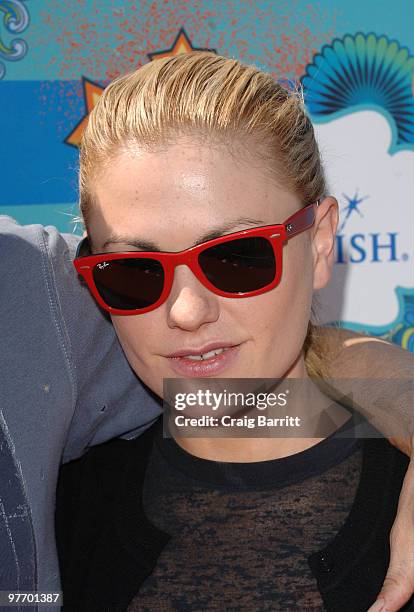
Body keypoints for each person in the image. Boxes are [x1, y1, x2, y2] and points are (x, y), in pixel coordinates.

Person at [52, 52, 414, 611]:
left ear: (320, 242)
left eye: (238, 258)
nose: (187, 312)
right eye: (133, 273)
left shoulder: (400, 487)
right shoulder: (59, 516)